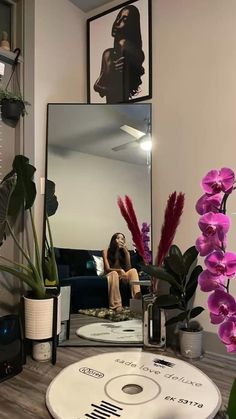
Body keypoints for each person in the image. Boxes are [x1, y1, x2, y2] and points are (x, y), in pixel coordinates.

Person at [94, 5, 145, 103]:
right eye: (118, 17)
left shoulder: (130, 49)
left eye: (124, 20)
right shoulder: (107, 54)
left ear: (131, 26)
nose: (117, 22)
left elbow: (99, 88)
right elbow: (98, 86)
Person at [102, 232, 141, 312]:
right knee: (114, 273)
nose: (120, 240)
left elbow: (128, 268)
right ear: (113, 240)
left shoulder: (124, 252)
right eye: (118, 238)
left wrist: (127, 253)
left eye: (122, 239)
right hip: (110, 274)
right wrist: (119, 270)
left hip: (122, 275)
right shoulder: (105, 251)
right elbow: (107, 269)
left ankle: (137, 301)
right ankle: (116, 305)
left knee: (133, 271)